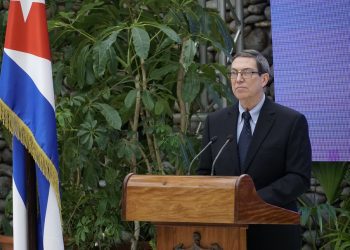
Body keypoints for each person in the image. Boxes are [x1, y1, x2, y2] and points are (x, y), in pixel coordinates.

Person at [197, 49, 311, 250]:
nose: (238, 79)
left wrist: (253, 201)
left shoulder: (291, 121)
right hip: (224, 233)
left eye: (247, 73)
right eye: (233, 73)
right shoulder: (215, 122)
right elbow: (205, 172)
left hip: (273, 231)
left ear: (264, 79)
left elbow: (298, 177)